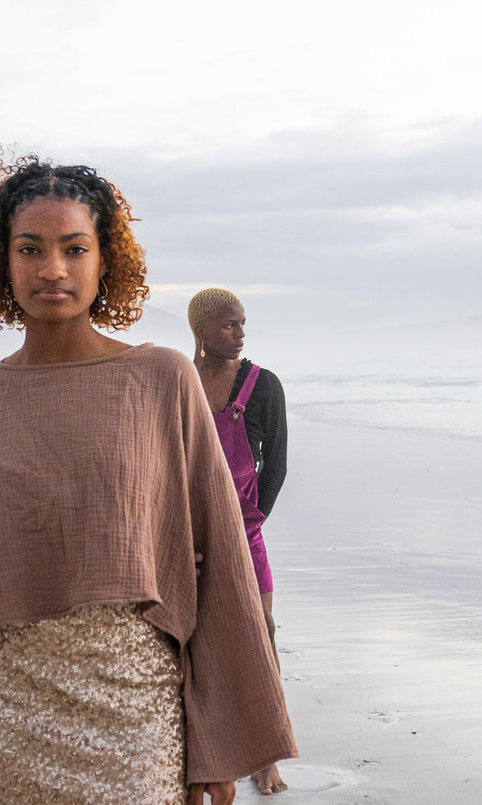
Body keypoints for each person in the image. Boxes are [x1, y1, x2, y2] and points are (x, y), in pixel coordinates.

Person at [0, 152, 295, 805]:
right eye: (30, 248)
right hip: (3, 704)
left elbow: (220, 556)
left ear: (105, 261)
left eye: (74, 248)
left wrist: (215, 739)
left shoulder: (161, 377)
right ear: (0, 263)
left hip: (136, 701)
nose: (52, 269)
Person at [187, 288, 290, 796]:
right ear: (201, 332)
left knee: (261, 631)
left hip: (245, 530)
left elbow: (278, 463)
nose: (241, 334)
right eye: (230, 326)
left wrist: (252, 520)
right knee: (189, 634)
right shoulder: (177, 381)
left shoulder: (262, 384)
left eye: (243, 324)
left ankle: (265, 756)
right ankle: (197, 748)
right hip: (185, 529)